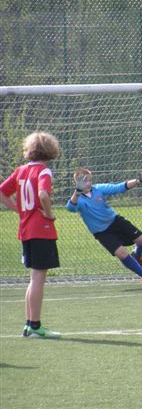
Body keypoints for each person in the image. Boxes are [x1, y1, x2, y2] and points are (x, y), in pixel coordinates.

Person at [0, 131, 62, 338]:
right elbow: (43, 194)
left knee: (34, 277)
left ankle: (29, 325)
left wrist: (19, 209)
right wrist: (49, 214)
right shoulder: (44, 171)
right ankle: (35, 326)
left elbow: (1, 192)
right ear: (50, 150)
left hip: (26, 230)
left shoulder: (21, 170)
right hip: (41, 230)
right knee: (38, 278)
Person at [65, 167, 142, 288]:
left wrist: (139, 181)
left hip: (115, 221)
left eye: (90, 180)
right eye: (85, 181)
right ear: (77, 183)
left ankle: (136, 256)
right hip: (102, 232)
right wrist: (77, 192)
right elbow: (70, 208)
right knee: (121, 254)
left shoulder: (98, 189)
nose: (89, 183)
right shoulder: (78, 199)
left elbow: (119, 187)